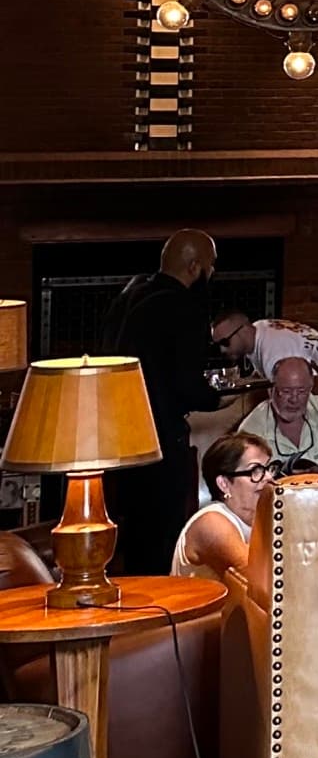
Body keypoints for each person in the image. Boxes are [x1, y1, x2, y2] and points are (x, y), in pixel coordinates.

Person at [107, 229, 217, 576]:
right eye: (210, 267)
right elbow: (187, 387)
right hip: (160, 440)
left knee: (128, 538)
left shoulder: (127, 295)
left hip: (117, 437)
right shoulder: (185, 308)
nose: (212, 275)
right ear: (194, 266)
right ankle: (162, 613)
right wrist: (220, 396)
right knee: (160, 540)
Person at [171, 431, 273, 581]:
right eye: (255, 470)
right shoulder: (211, 522)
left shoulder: (265, 517)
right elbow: (259, 578)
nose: (269, 477)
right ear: (224, 484)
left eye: (269, 469)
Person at [238, 356, 318, 475]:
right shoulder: (253, 427)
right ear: (271, 390)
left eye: (302, 391)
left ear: (311, 388)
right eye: (286, 391)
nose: (294, 399)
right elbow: (245, 478)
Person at [209, 307, 318, 379]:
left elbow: (303, 387)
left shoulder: (275, 354)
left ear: (244, 330)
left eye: (225, 342)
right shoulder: (259, 328)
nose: (222, 350)